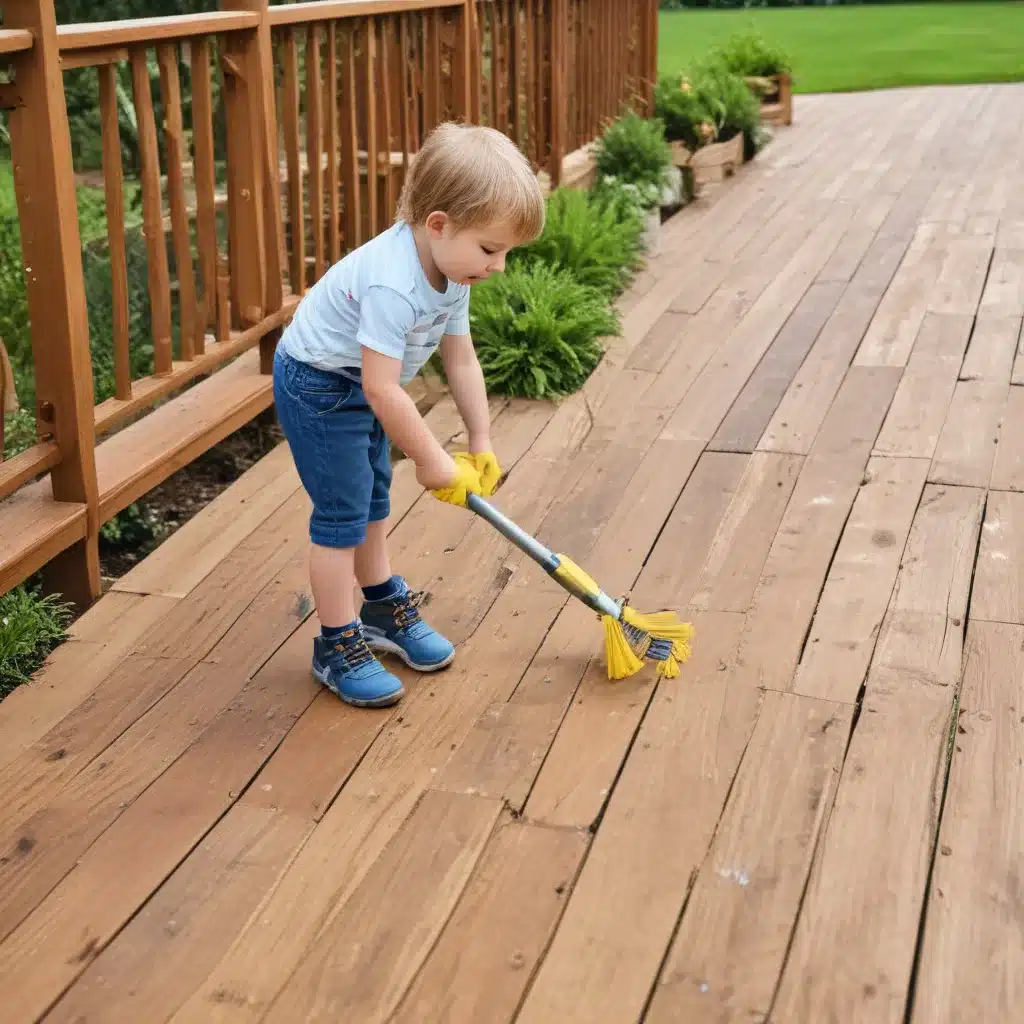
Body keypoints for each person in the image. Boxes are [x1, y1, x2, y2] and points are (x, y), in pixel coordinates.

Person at [272, 121, 545, 709]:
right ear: (439, 224)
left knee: (371, 497)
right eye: (491, 249)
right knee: (341, 513)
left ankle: (378, 606)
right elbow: (382, 389)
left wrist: (480, 437)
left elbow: (460, 358)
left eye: (506, 252)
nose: (498, 266)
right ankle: (336, 643)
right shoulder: (394, 284)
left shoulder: (453, 267)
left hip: (363, 387)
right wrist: (432, 460)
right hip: (320, 384)